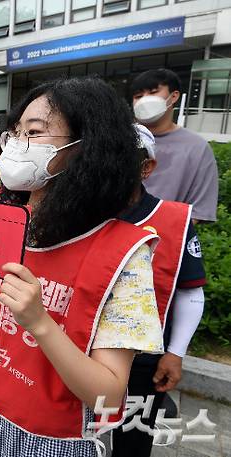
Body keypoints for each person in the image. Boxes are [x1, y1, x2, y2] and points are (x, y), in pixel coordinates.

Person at [0, 77, 164, 456]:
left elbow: (111, 395)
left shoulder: (126, 254)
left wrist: (40, 323)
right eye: (15, 133)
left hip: (48, 438)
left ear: (87, 146)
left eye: (35, 132)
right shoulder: (6, 220)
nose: (17, 144)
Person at [111, 125, 206, 457]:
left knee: (133, 439)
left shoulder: (175, 221)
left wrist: (175, 353)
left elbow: (190, 293)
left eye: (123, 157)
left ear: (146, 167)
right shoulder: (81, 214)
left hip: (143, 359)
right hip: (82, 351)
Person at [131, 69, 218, 223]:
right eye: (138, 96)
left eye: (153, 92)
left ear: (174, 96)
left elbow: (198, 212)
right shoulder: (117, 139)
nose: (144, 100)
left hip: (164, 239)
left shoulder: (197, 148)